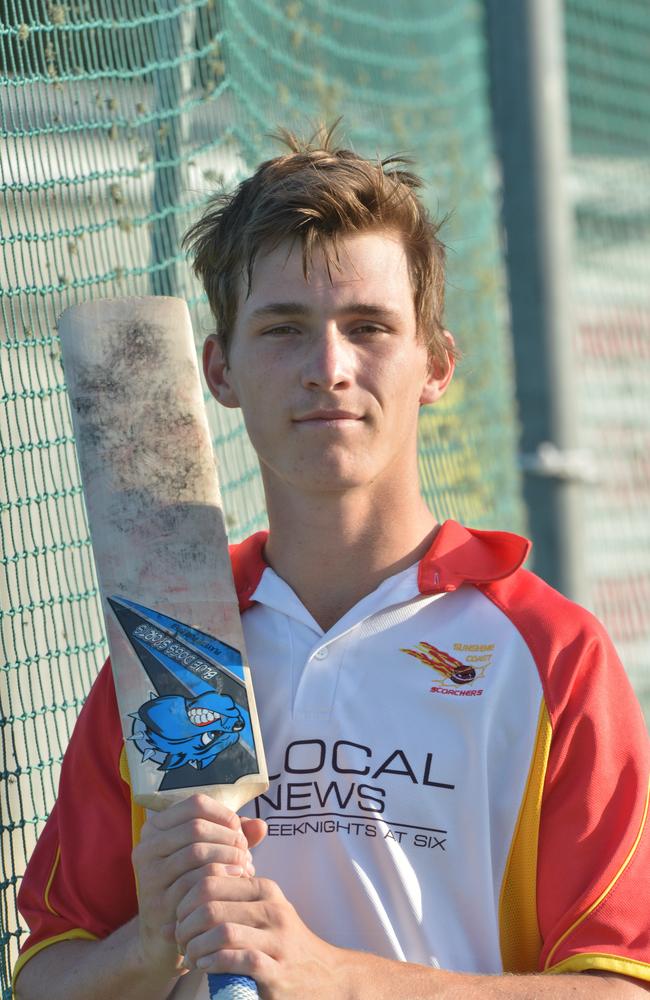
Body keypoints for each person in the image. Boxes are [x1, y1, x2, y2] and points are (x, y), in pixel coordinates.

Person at [14, 126, 650, 1000]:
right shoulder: (164, 649)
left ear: (436, 363)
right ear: (220, 369)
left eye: (370, 327)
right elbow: (46, 976)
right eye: (283, 329)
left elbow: (620, 988)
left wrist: (335, 977)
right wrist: (149, 946)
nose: (329, 368)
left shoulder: (549, 652)